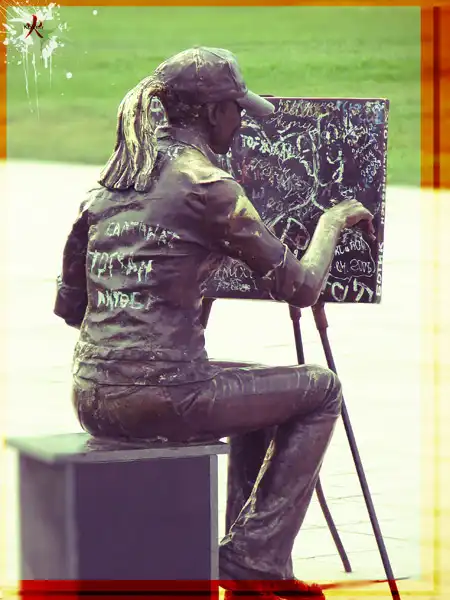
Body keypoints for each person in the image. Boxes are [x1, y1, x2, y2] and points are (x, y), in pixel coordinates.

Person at [54, 47, 374, 598]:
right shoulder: (207, 185)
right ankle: (253, 556)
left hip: (92, 394)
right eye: (236, 109)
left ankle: (254, 570)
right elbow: (301, 286)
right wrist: (332, 221)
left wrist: (178, 285)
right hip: (166, 397)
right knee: (321, 390)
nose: (240, 121)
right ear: (211, 112)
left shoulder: (110, 182)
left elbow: (73, 309)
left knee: (259, 389)